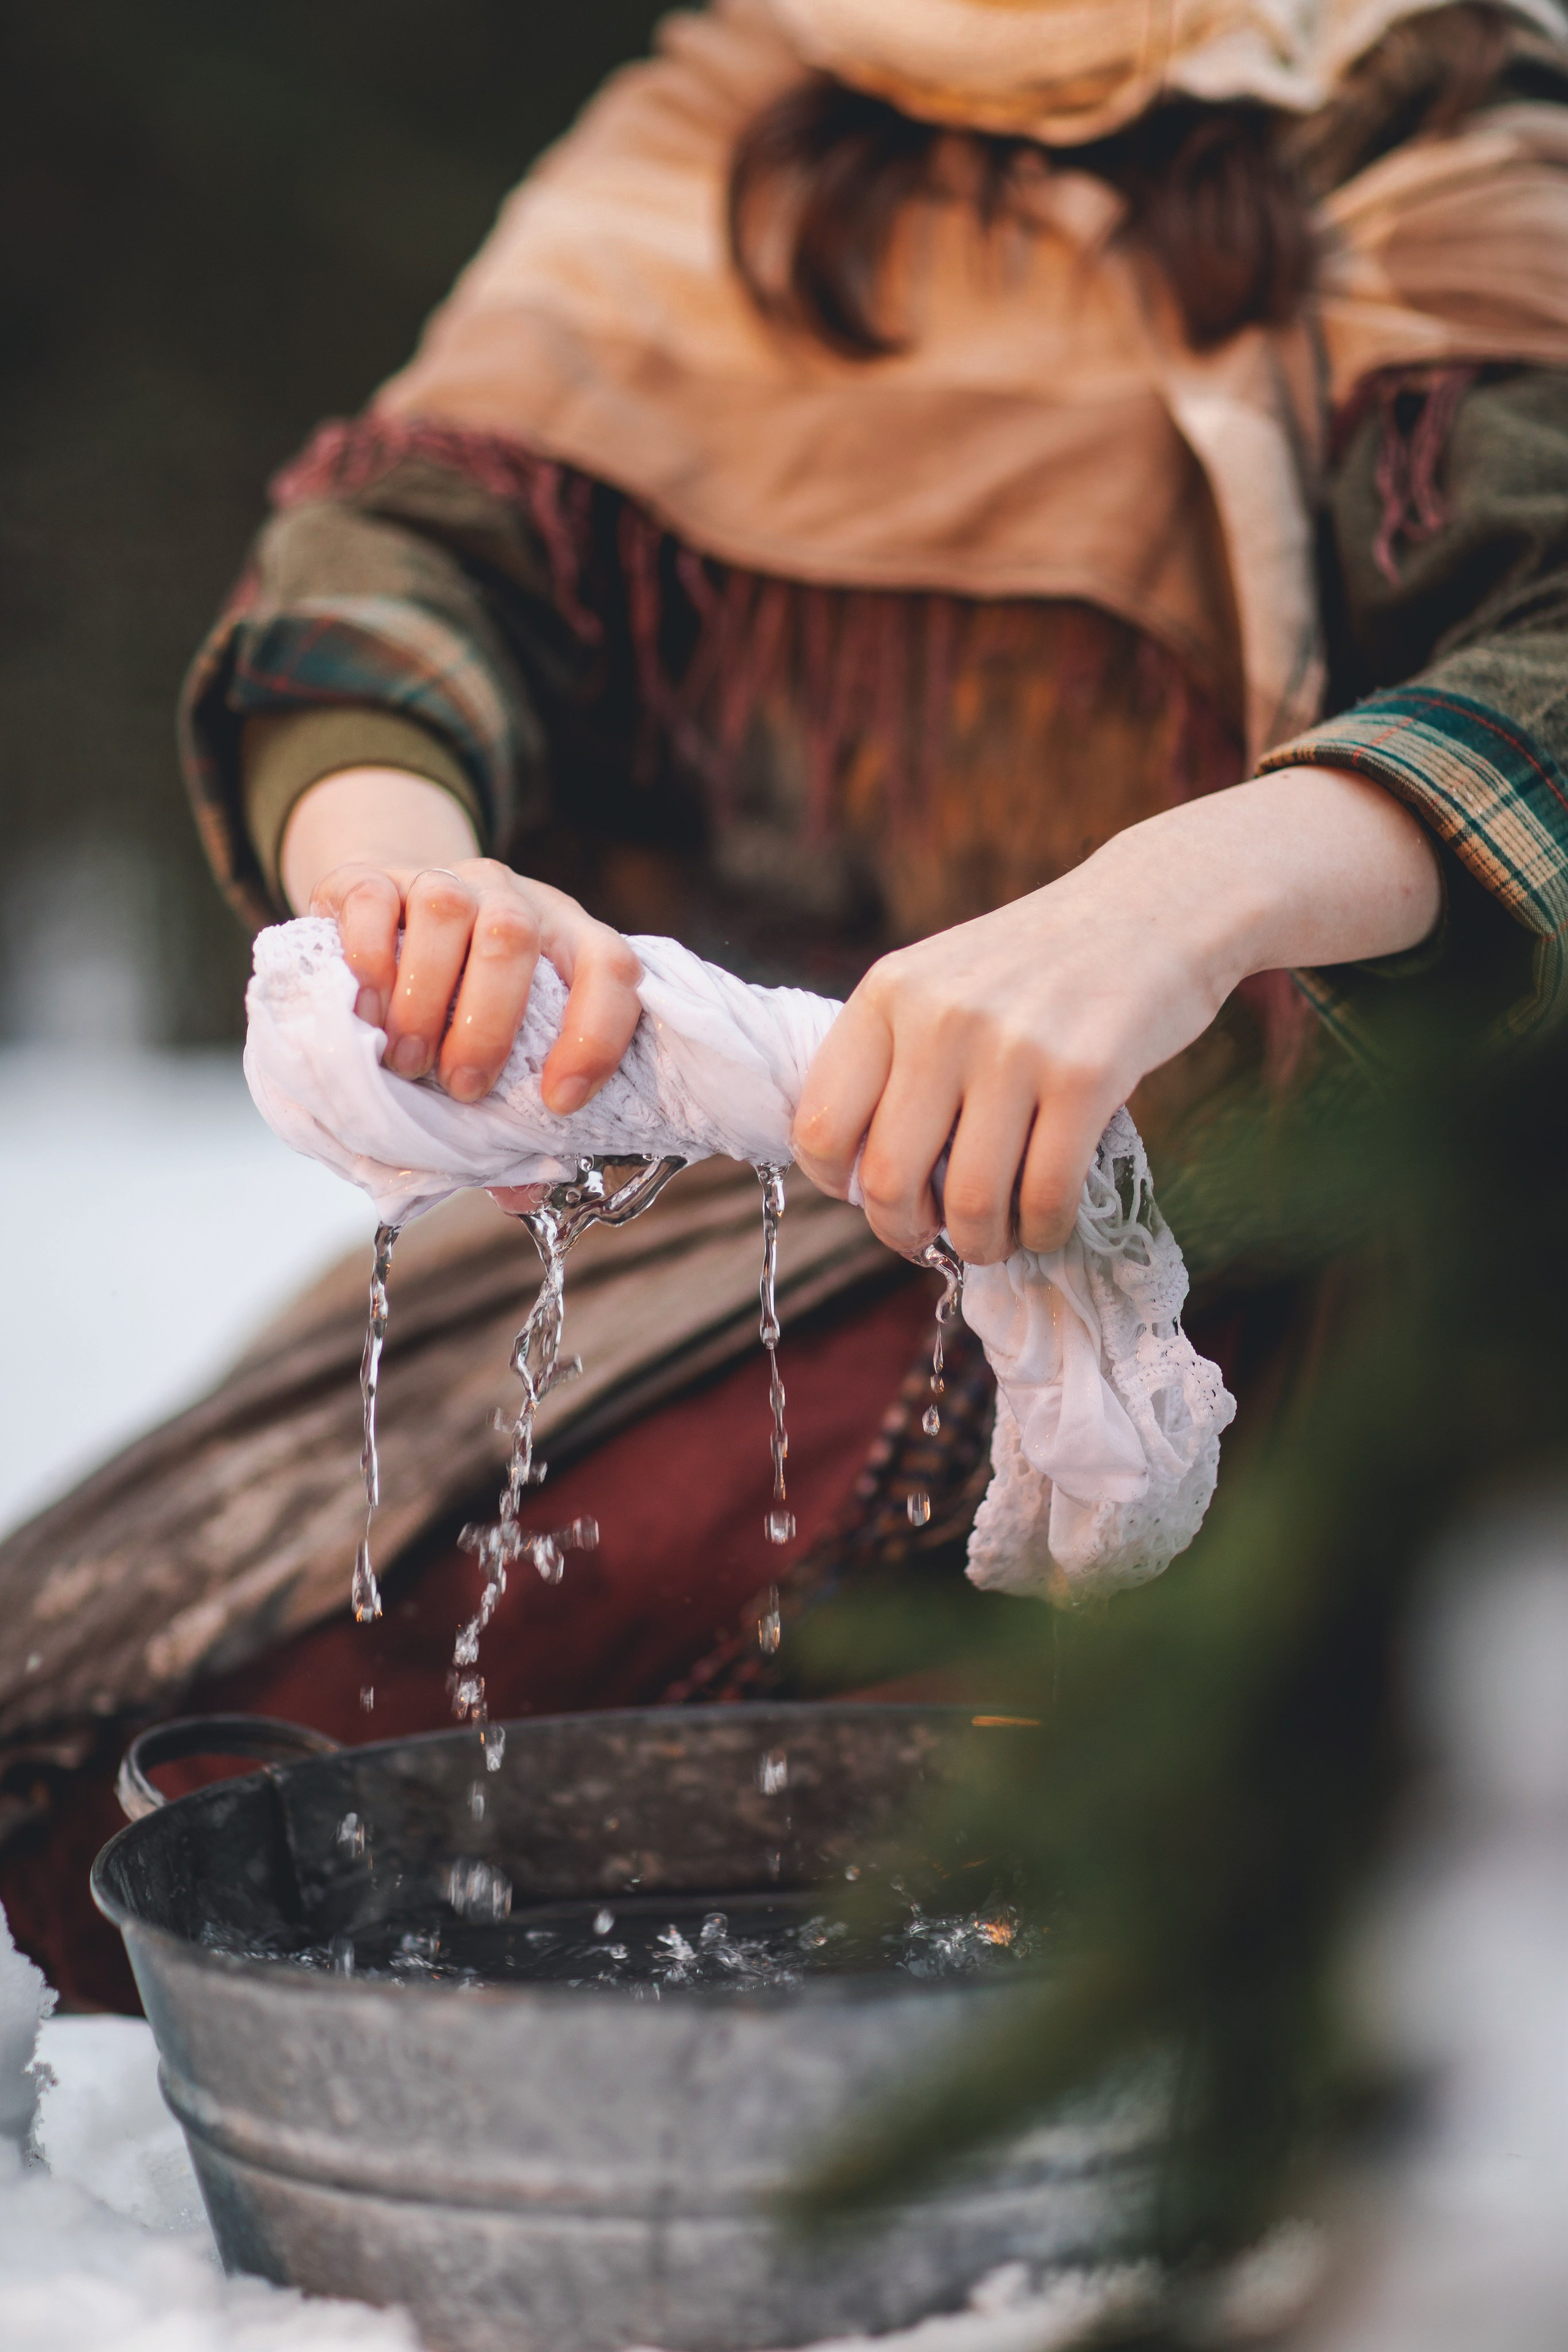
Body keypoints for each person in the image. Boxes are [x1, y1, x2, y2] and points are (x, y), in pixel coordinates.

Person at [9, 0, 1568, 2006]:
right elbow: (392, 577)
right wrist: (418, 895)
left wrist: (1175, 903)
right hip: (702, 1221)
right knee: (96, 1747)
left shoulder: (1441, 132)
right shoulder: (720, 129)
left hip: (1287, 1248)